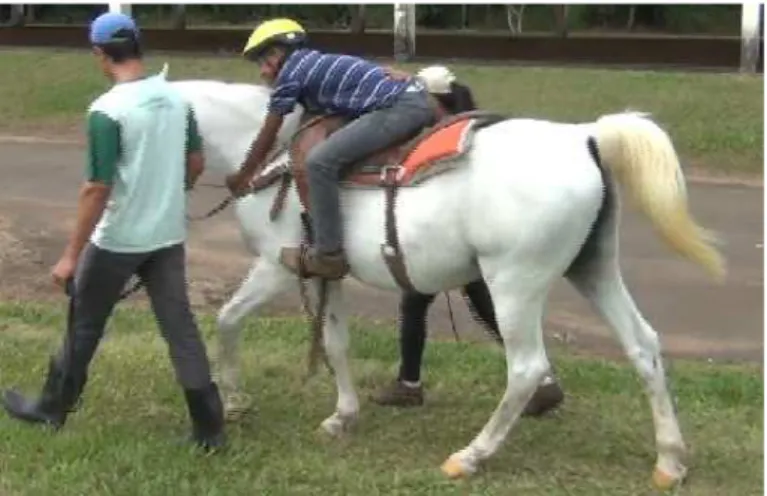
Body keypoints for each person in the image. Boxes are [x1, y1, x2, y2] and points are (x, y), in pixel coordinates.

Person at [1, 12, 226, 451]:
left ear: (101, 55)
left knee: (84, 324)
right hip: (167, 236)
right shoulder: (176, 99)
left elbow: (97, 188)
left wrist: (70, 255)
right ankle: (209, 429)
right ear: (138, 47)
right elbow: (196, 163)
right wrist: (169, 195)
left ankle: (52, 407)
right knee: (180, 328)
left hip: (118, 240)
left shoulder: (107, 111)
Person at [371, 66, 565, 416]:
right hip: (469, 233)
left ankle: (409, 384)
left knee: (417, 304)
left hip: (447, 237)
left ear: (432, 100)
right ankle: (543, 379)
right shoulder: (471, 126)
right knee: (488, 307)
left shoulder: (446, 135)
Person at [224, 18, 438, 281]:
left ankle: (328, 255)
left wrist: (244, 174)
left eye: (262, 61)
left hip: (400, 108)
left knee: (319, 163)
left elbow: (270, 130)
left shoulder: (292, 73)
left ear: (277, 53)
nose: (262, 72)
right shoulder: (312, 64)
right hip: (408, 99)